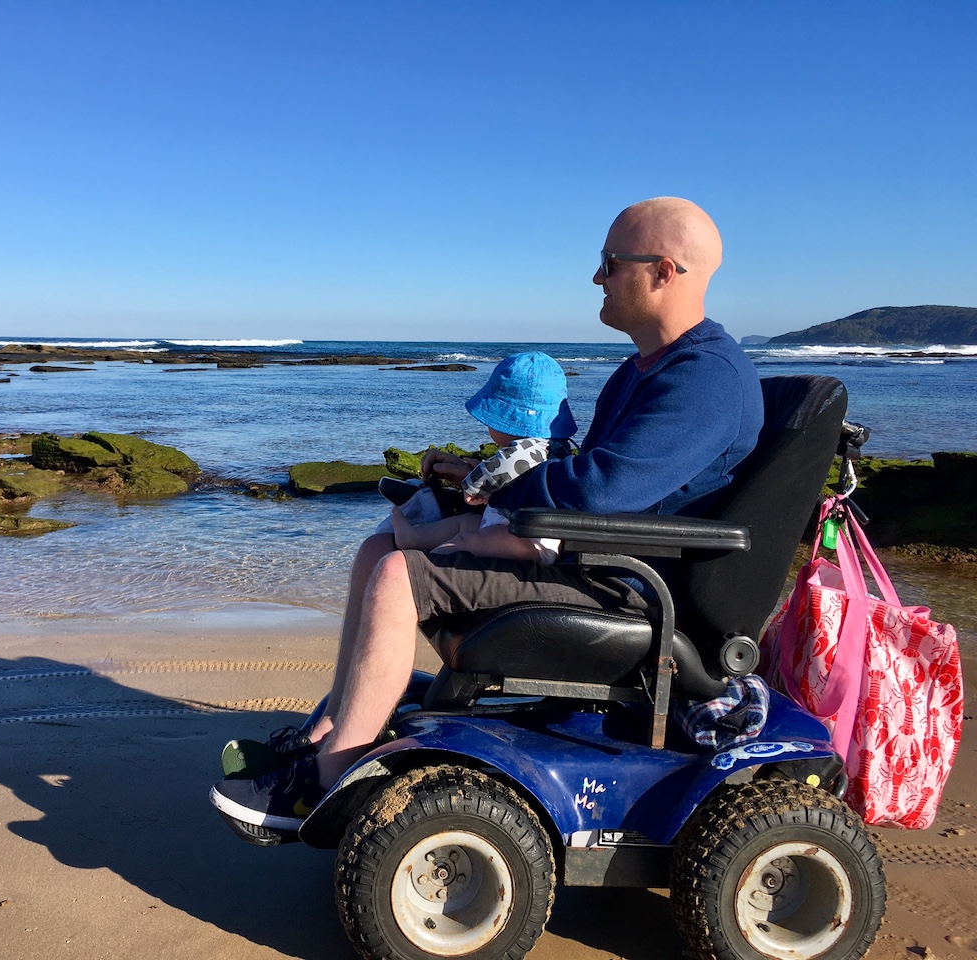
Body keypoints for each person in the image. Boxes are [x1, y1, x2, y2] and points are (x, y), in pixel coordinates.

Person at [210, 197, 765, 835]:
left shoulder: (704, 379)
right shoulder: (645, 371)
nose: (597, 278)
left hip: (626, 585)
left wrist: (494, 492)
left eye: (611, 263)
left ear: (664, 271)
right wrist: (474, 481)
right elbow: (590, 475)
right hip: (600, 562)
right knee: (375, 552)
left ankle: (329, 781)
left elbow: (595, 490)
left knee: (398, 576)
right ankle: (332, 730)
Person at [381, 351, 578, 564]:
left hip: (527, 539)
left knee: (468, 539)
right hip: (521, 530)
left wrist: (474, 485)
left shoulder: (529, 448)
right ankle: (414, 538)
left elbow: (504, 466)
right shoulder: (555, 446)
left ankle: (430, 565)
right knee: (464, 524)